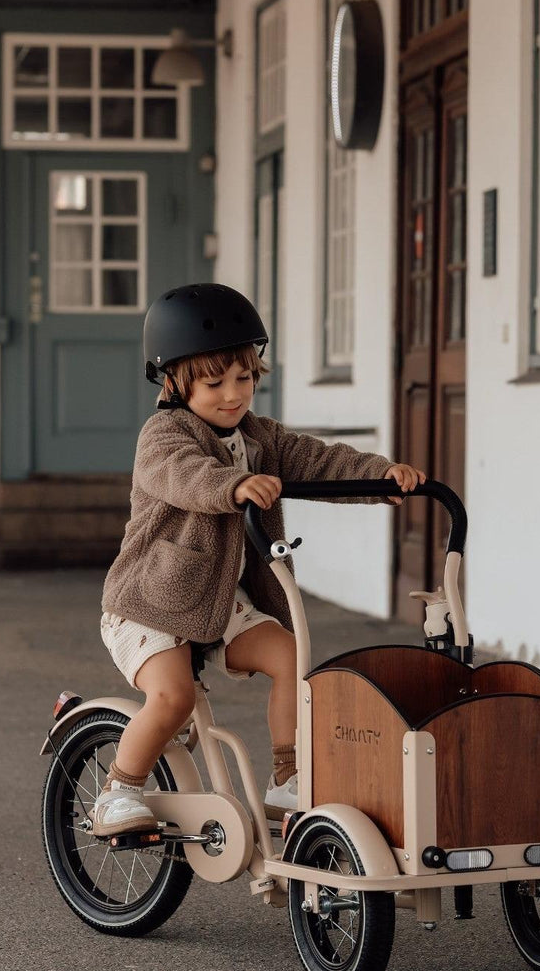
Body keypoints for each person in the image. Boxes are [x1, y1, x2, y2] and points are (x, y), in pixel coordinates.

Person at [93, 283, 426, 836]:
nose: (232, 394)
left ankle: (286, 779)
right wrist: (235, 484)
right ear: (174, 381)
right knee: (172, 697)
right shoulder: (164, 435)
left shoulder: (259, 437)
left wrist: (380, 476)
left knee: (291, 657)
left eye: (243, 378)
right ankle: (118, 791)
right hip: (151, 603)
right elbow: (184, 476)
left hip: (221, 604)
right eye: (213, 382)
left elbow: (319, 461)